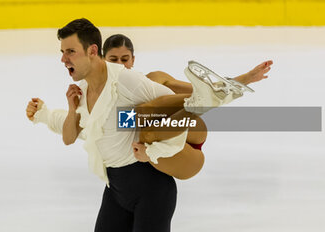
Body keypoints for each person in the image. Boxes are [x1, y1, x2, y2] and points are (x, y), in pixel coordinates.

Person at [27, 33, 273, 179]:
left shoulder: (152, 80)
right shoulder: (97, 99)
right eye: (114, 60)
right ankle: (193, 107)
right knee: (130, 121)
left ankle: (196, 105)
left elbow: (204, 91)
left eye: (125, 59)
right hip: (182, 157)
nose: (121, 65)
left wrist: (243, 78)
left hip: (190, 128)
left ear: (134, 59)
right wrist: (44, 114)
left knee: (137, 114)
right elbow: (85, 128)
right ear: (102, 59)